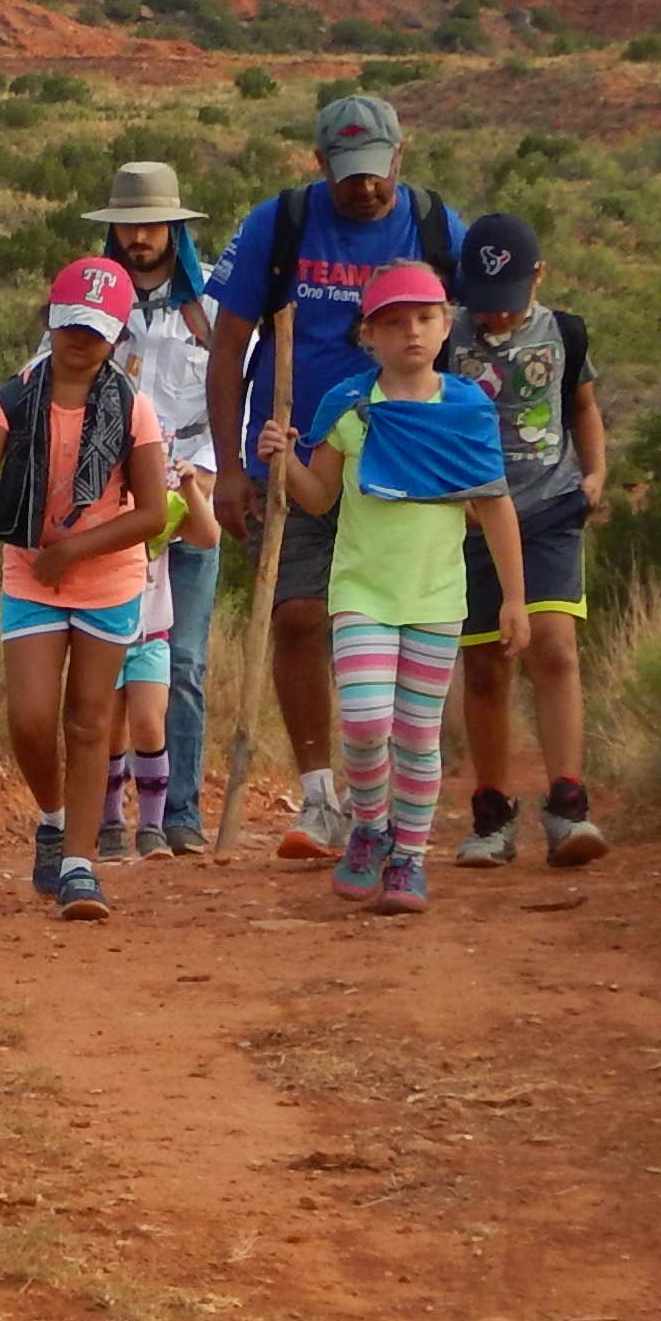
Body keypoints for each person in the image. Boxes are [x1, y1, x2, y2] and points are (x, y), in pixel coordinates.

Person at [204, 94, 470, 861]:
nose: (364, 188)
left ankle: (380, 801)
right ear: (321, 165)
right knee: (296, 617)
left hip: (405, 465)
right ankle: (320, 795)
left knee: (392, 631)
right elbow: (228, 349)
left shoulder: (431, 225)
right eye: (347, 174)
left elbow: (468, 339)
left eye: (376, 171)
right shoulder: (278, 224)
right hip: (300, 451)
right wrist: (231, 467)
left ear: (400, 153)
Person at [253, 260, 524, 916]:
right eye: (394, 322)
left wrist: (515, 596)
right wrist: (282, 458)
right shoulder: (346, 405)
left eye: (425, 318)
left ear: (446, 324)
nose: (412, 333)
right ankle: (370, 827)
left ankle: (409, 856)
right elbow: (319, 499)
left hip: (435, 597)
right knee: (368, 721)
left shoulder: (467, 408)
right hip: (361, 592)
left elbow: (493, 505)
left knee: (417, 733)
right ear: (368, 333)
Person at [0, 256, 171, 923]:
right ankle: (52, 816)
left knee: (90, 718)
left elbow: (153, 513)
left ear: (117, 334)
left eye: (95, 329)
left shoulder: (134, 408)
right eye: (70, 323)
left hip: (106, 577)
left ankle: (79, 865)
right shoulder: (11, 397)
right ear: (52, 320)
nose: (80, 339)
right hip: (31, 575)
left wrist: (75, 547)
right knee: (32, 718)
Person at [445, 212, 611, 868]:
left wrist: (596, 475)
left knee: (555, 648)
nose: (495, 319)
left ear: (538, 277)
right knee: (487, 664)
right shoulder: (445, 335)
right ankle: (492, 811)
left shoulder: (564, 331)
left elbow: (583, 407)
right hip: (469, 519)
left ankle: (569, 805)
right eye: (484, 307)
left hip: (546, 507)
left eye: (507, 305)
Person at [84, 160, 222, 858]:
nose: (139, 238)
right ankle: (107, 817)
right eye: (128, 225)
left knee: (184, 662)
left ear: (174, 227)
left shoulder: (212, 314)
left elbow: (232, 404)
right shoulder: (88, 312)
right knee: (107, 667)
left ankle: (181, 813)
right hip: (108, 514)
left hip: (189, 502)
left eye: (151, 224)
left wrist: (201, 478)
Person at [97, 453, 221, 867]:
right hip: (107, 639)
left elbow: (207, 537)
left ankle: (151, 826)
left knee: (150, 724)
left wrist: (187, 486)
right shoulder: (99, 515)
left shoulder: (159, 515)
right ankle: (110, 821)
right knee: (110, 731)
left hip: (151, 638)